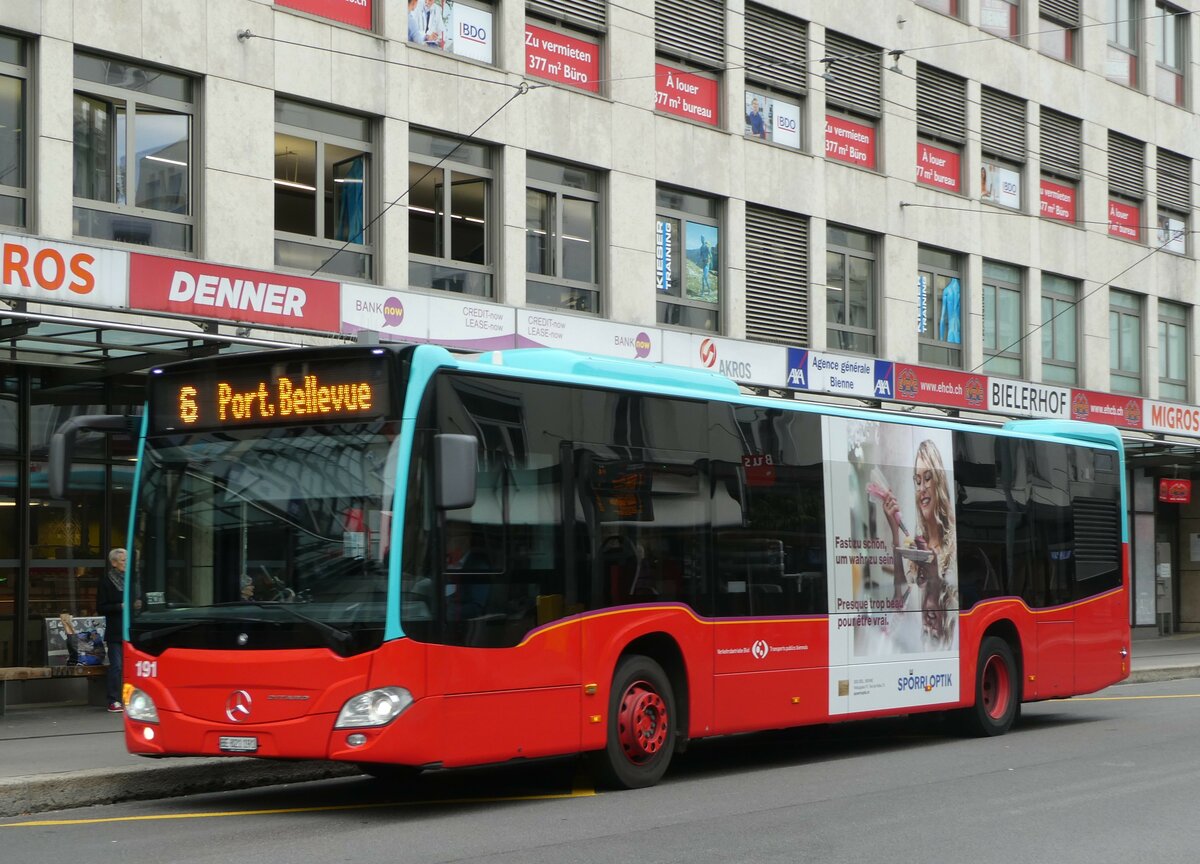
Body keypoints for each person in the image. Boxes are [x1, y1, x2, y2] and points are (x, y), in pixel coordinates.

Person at [877, 440, 958, 651]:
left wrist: (933, 576)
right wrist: (894, 530)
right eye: (917, 481)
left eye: (927, 478)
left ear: (939, 482)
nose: (921, 489)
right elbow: (900, 598)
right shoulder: (916, 544)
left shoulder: (954, 543)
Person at [97, 548, 133, 712]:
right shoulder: (106, 582)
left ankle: (132, 699)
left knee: (132, 667)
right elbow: (101, 607)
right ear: (113, 563)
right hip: (116, 631)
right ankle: (113, 700)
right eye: (123, 560)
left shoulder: (132, 580)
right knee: (117, 666)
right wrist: (120, 606)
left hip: (132, 631)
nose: (126, 563)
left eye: (127, 559)